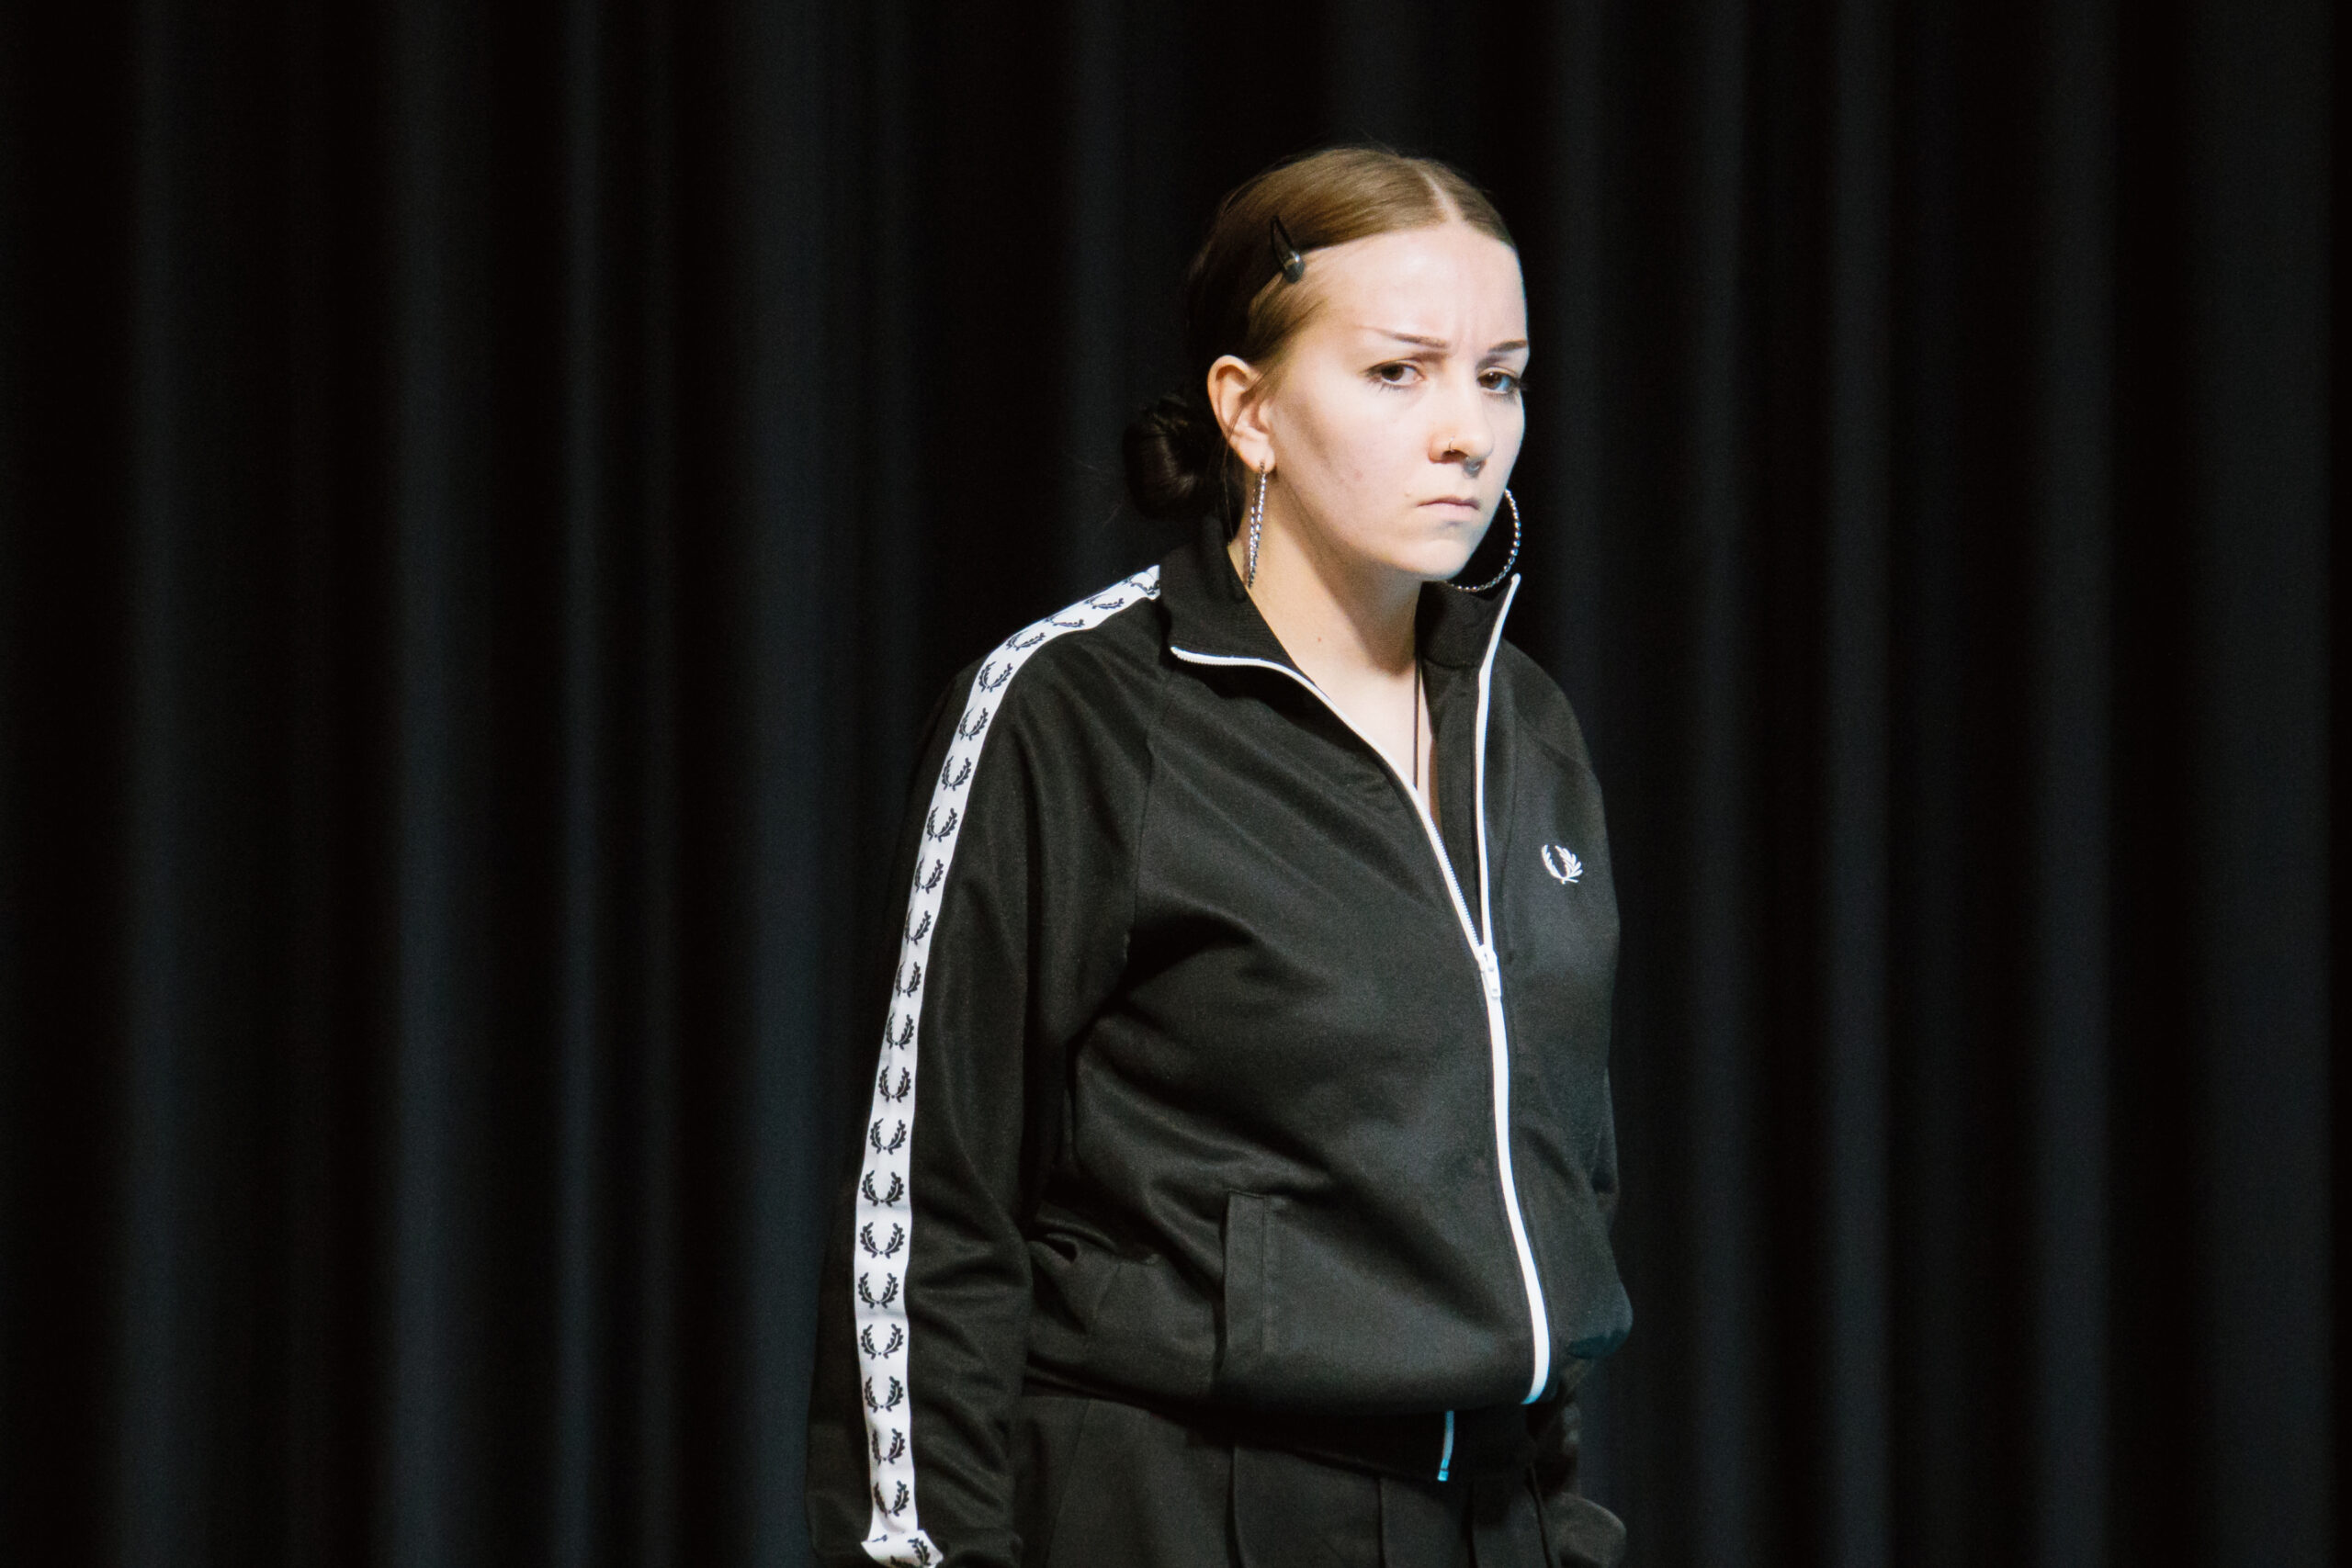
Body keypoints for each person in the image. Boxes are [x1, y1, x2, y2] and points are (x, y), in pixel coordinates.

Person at [806, 146, 1630, 1568]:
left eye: (1500, 377)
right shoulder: (1073, 713)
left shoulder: (1526, 725)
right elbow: (927, 1226)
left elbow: (1550, 1178)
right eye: (1399, 373)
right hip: (1188, 1507)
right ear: (1245, 410)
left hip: (1488, 1514)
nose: (1467, 434)